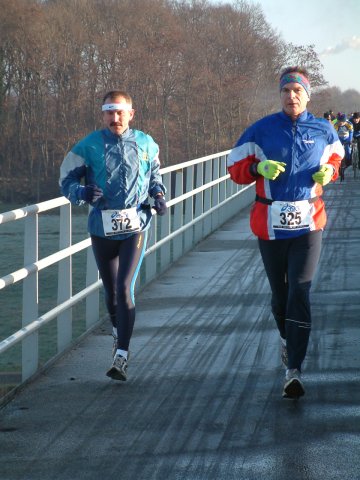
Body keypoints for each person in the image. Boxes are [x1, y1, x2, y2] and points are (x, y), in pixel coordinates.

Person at [227, 67, 344, 399]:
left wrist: (330, 171)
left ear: (308, 95)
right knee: (280, 298)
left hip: (309, 223)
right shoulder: (262, 130)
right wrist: (255, 168)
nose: (291, 96)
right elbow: (233, 166)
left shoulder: (322, 129)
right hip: (270, 224)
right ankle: (286, 338)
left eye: (298, 91)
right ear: (280, 95)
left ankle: (294, 368)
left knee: (299, 293)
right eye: (286, 91)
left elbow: (338, 156)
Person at [59, 90, 167, 381]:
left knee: (124, 288)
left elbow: (155, 175)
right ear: (103, 114)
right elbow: (66, 178)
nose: (115, 118)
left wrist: (158, 194)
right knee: (110, 292)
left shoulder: (146, 143)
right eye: (109, 112)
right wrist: (81, 192)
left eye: (120, 112)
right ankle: (119, 333)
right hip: (102, 227)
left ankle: (122, 355)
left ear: (131, 114)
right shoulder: (88, 145)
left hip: (136, 225)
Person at [333, 113, 354, 179]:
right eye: (339, 122)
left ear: (345, 121)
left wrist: (350, 140)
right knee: (338, 151)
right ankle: (339, 163)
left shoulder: (349, 124)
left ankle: (348, 162)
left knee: (348, 151)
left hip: (347, 138)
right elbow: (335, 134)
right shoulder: (336, 125)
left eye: (342, 122)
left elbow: (351, 132)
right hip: (340, 138)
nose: (341, 123)